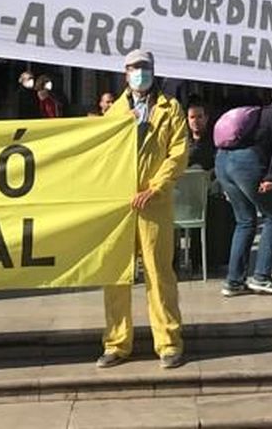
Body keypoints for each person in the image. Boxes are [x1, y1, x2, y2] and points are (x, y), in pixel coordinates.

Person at [97, 49, 187, 370]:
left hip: (155, 205)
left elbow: (177, 153)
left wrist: (155, 187)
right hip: (120, 206)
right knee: (116, 277)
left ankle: (168, 343)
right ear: (125, 74)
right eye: (134, 68)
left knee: (158, 273)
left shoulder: (170, 108)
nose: (140, 73)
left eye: (145, 67)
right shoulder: (115, 111)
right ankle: (116, 343)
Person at [216, 92, 272, 297]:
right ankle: (262, 277)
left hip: (222, 161)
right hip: (246, 163)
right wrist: (271, 177)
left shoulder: (257, 114)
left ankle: (234, 281)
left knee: (245, 220)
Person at [185, 101, 216, 171]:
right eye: (192, 117)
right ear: (188, 120)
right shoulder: (181, 143)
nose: (196, 121)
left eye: (199, 117)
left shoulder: (215, 142)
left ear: (206, 118)